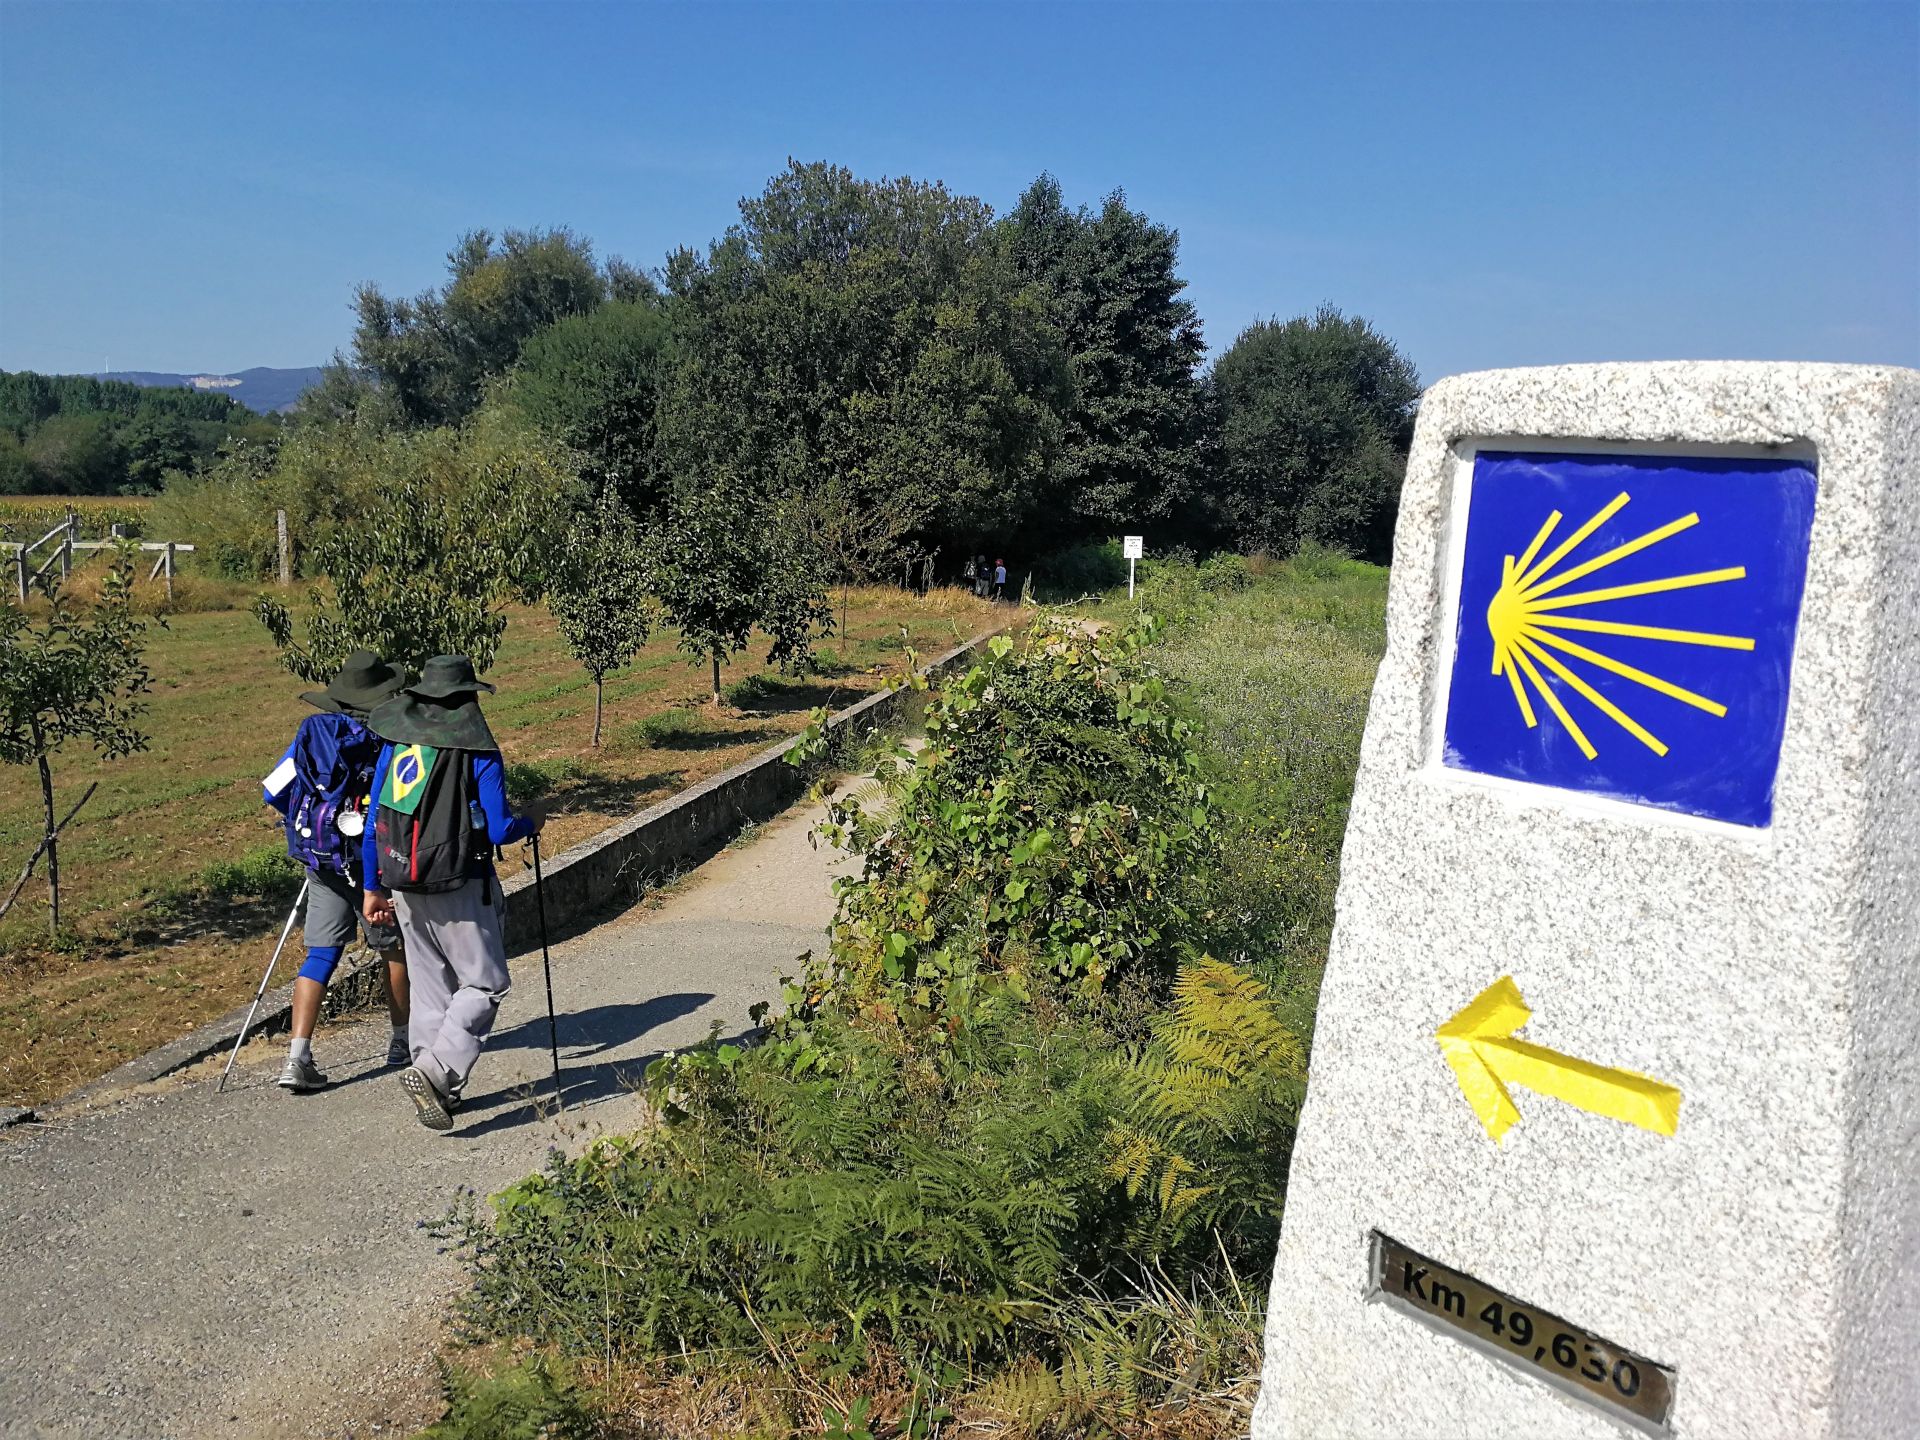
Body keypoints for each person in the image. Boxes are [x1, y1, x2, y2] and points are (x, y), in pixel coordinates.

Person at [361, 656, 544, 1132]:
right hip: (462, 883)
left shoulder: (399, 747)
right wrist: (534, 821)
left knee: (430, 987)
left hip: (402, 882)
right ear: (467, 700)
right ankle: (435, 1073)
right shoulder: (479, 752)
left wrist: (372, 887)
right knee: (485, 983)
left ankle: (439, 1086)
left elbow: (374, 825)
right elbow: (501, 828)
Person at [261, 650, 411, 1092]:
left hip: (322, 861)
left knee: (321, 954)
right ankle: (402, 1042)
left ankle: (297, 1057)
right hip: (373, 867)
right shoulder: (388, 736)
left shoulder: (311, 734)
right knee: (394, 950)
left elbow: (274, 791)